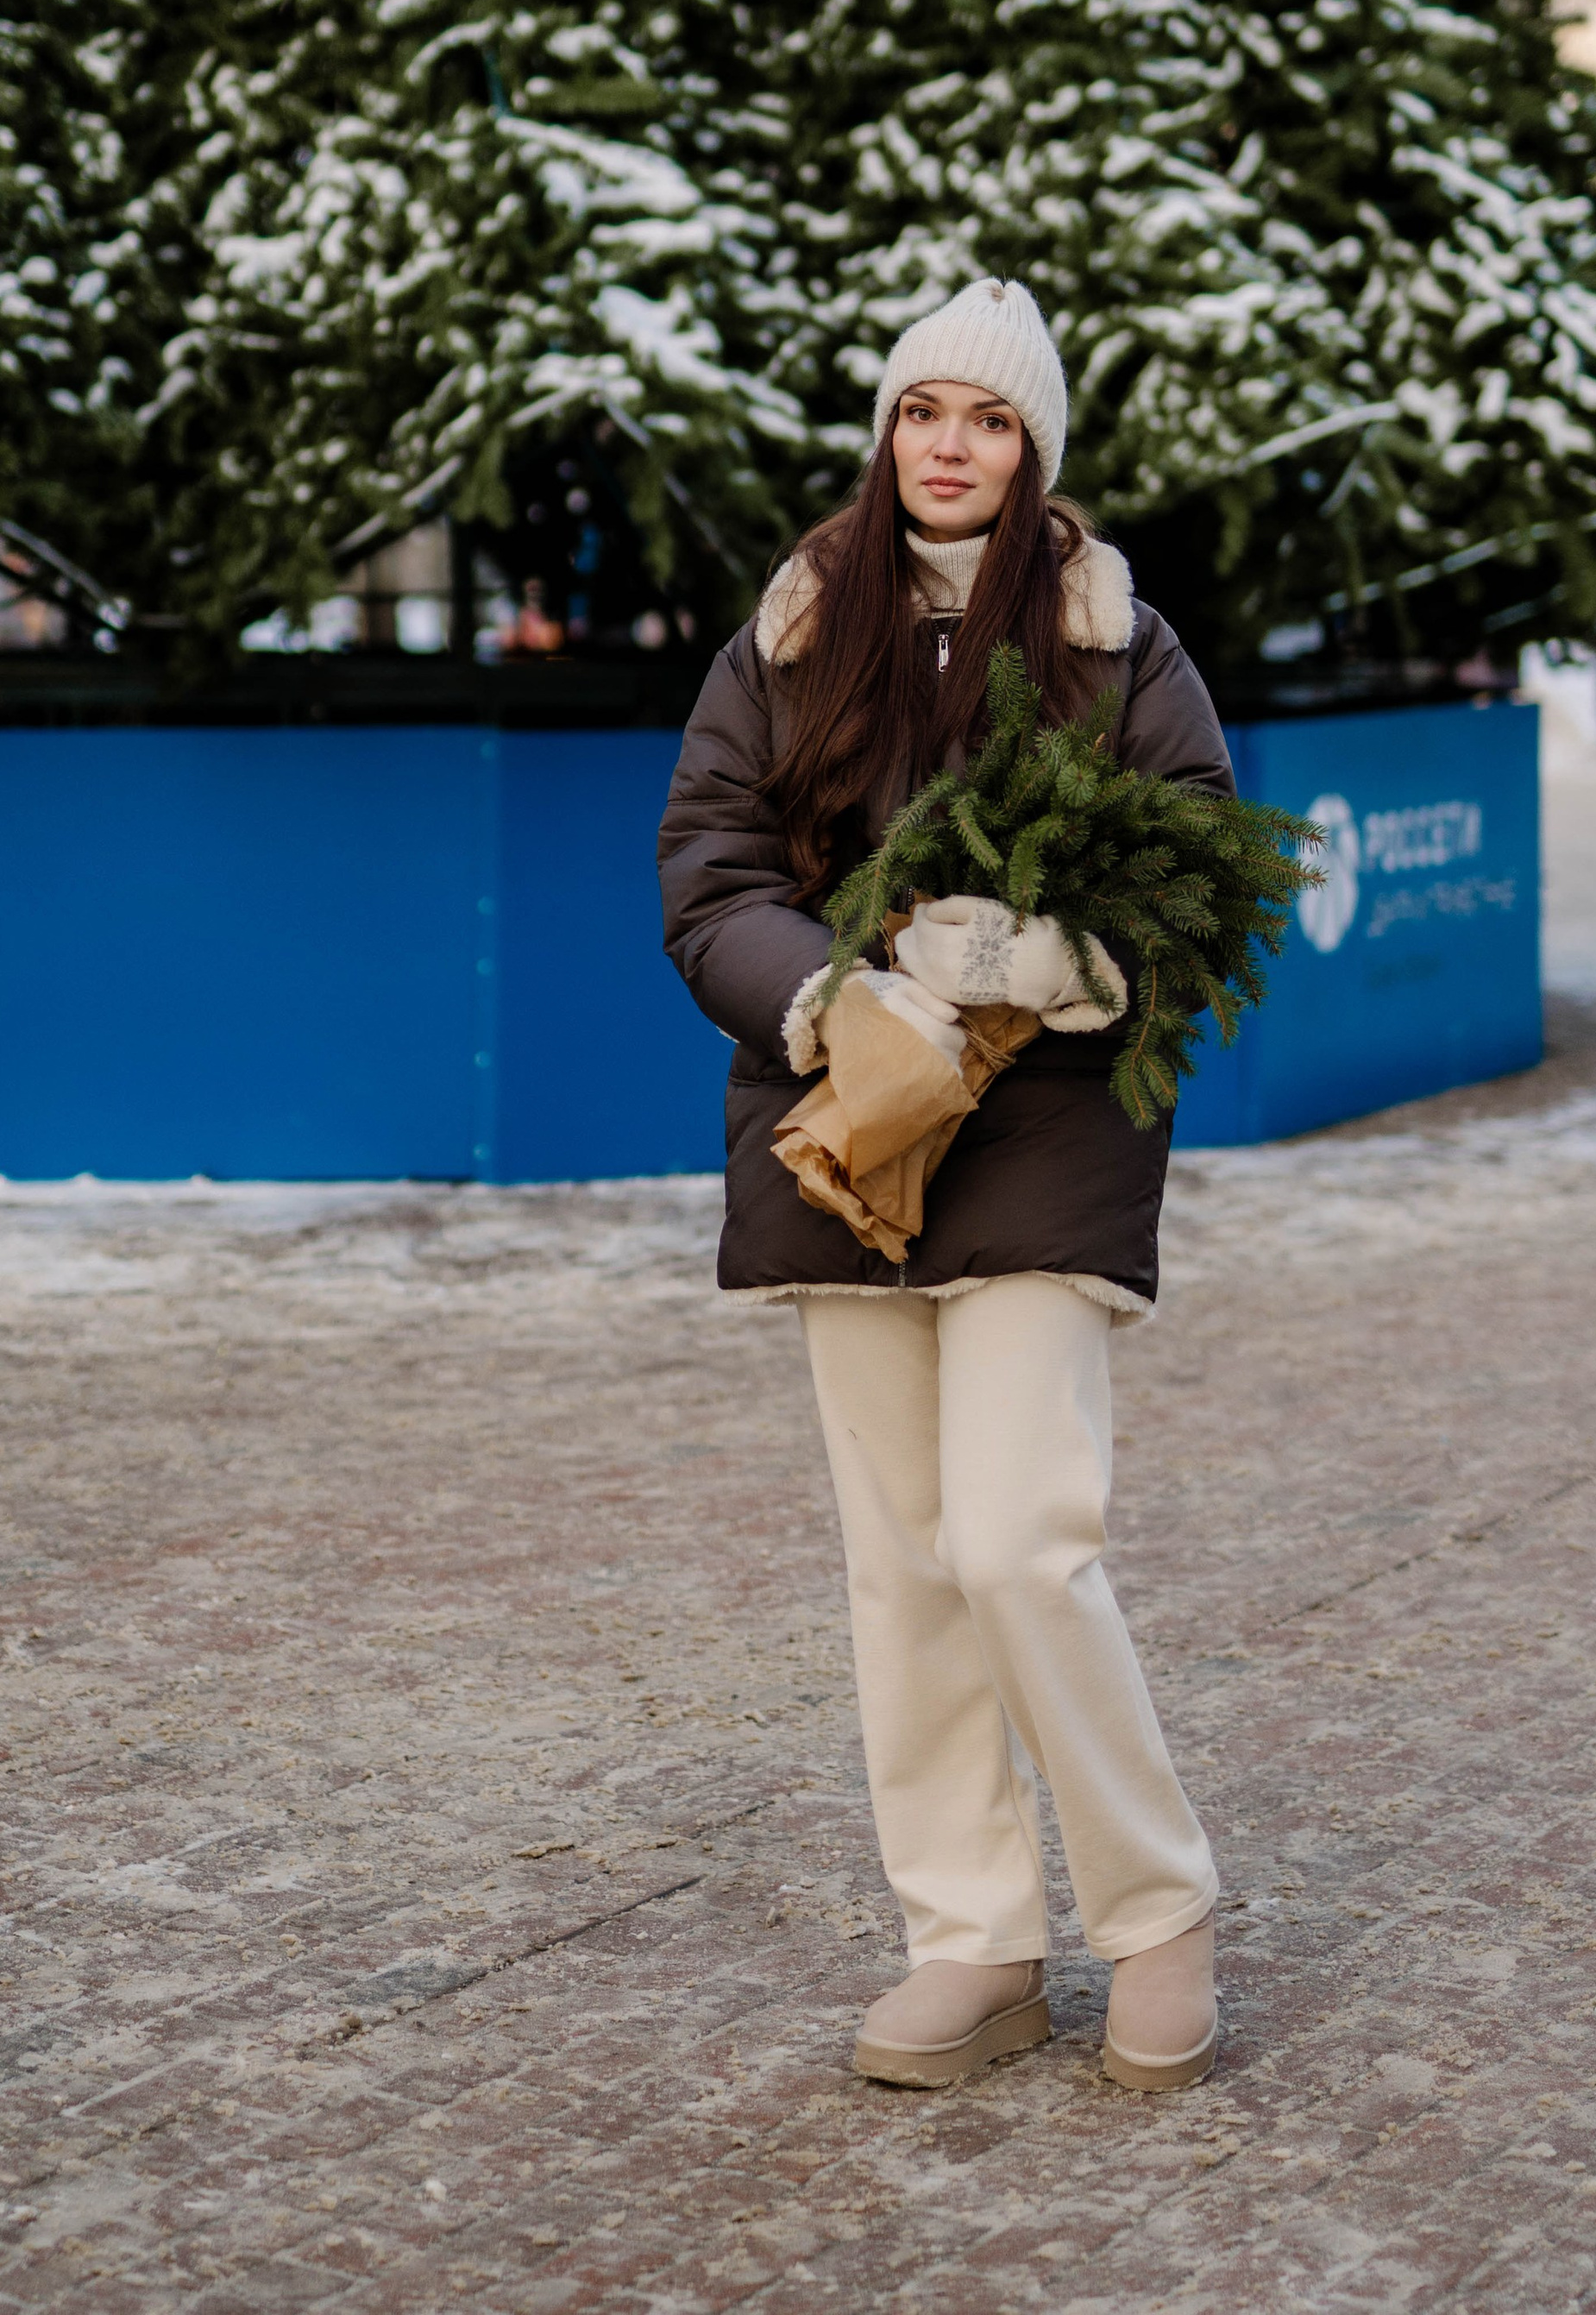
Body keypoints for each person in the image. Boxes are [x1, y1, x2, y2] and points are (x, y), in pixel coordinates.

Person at [657, 278, 1228, 2098]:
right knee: (900, 1571)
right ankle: (970, 1940)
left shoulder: (1107, 633)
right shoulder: (795, 621)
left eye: (986, 420)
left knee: (1014, 1544)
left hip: (1047, 1138)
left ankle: (1155, 1909)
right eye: (924, 414)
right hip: (846, 1134)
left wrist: (1059, 963)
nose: (951, 446)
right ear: (887, 431)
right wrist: (827, 998)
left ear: (1032, 446)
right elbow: (706, 863)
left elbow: (1194, 876)